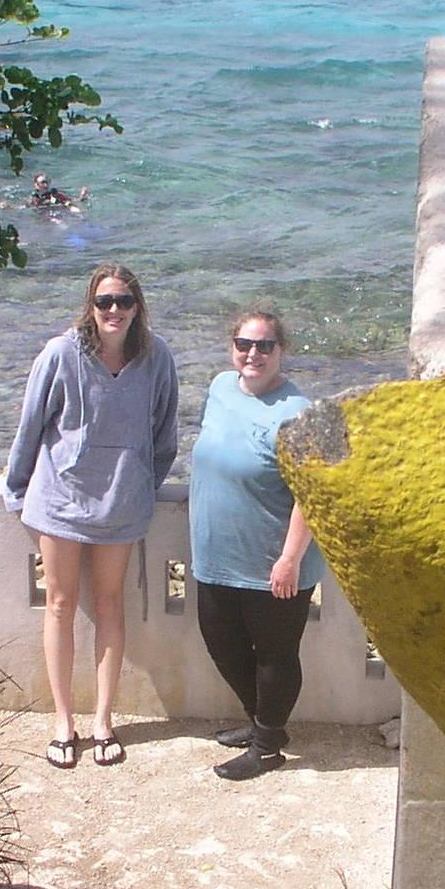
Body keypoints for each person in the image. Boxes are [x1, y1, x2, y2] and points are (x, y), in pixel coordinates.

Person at [2, 263, 180, 768]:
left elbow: (165, 434)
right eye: (105, 301)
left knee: (109, 605)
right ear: (91, 306)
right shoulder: (61, 354)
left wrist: (141, 485)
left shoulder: (157, 357)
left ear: (138, 307)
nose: (114, 310)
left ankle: (103, 720)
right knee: (60, 604)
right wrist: (16, 491)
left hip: (121, 506)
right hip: (60, 502)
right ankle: (63, 722)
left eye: (124, 301)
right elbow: (31, 426)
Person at [189, 308, 323, 780]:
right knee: (221, 643)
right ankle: (263, 724)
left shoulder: (298, 412)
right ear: (232, 347)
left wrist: (290, 558)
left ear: (281, 351)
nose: (253, 354)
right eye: (244, 344)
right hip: (215, 554)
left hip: (273, 562)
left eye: (264, 345)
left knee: (274, 655)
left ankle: (266, 747)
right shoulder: (220, 388)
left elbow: (311, 492)